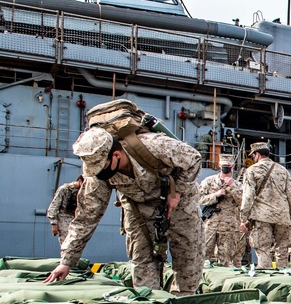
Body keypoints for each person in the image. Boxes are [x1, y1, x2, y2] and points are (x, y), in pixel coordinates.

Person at [45, 125, 203, 294]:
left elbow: (194, 159)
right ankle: (150, 303)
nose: (99, 173)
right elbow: (86, 217)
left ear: (116, 155)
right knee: (142, 260)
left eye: (102, 167)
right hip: (138, 207)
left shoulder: (154, 145)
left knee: (188, 255)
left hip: (179, 202)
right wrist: (66, 261)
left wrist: (177, 191)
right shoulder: (100, 176)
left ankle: (184, 302)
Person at [240, 142, 291, 269]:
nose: (253, 158)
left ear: (257, 154)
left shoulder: (251, 171)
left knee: (263, 250)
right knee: (282, 251)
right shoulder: (283, 171)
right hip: (282, 217)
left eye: (253, 155)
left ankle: (267, 283)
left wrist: (243, 219)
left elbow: (248, 197)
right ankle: (284, 280)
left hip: (262, 217)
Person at [198, 154, 242, 266]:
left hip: (228, 226)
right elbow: (199, 198)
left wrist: (232, 187)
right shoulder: (209, 181)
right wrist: (215, 195)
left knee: (226, 259)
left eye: (228, 166)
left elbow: (242, 202)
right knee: (204, 257)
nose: (226, 168)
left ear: (233, 166)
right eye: (224, 165)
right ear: (219, 165)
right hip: (210, 224)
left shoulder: (238, 185)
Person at [46, 175, 83, 247]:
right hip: (64, 219)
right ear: (80, 181)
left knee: (76, 246)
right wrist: (54, 224)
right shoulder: (64, 189)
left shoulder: (83, 192)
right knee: (66, 246)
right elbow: (54, 206)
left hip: (76, 221)